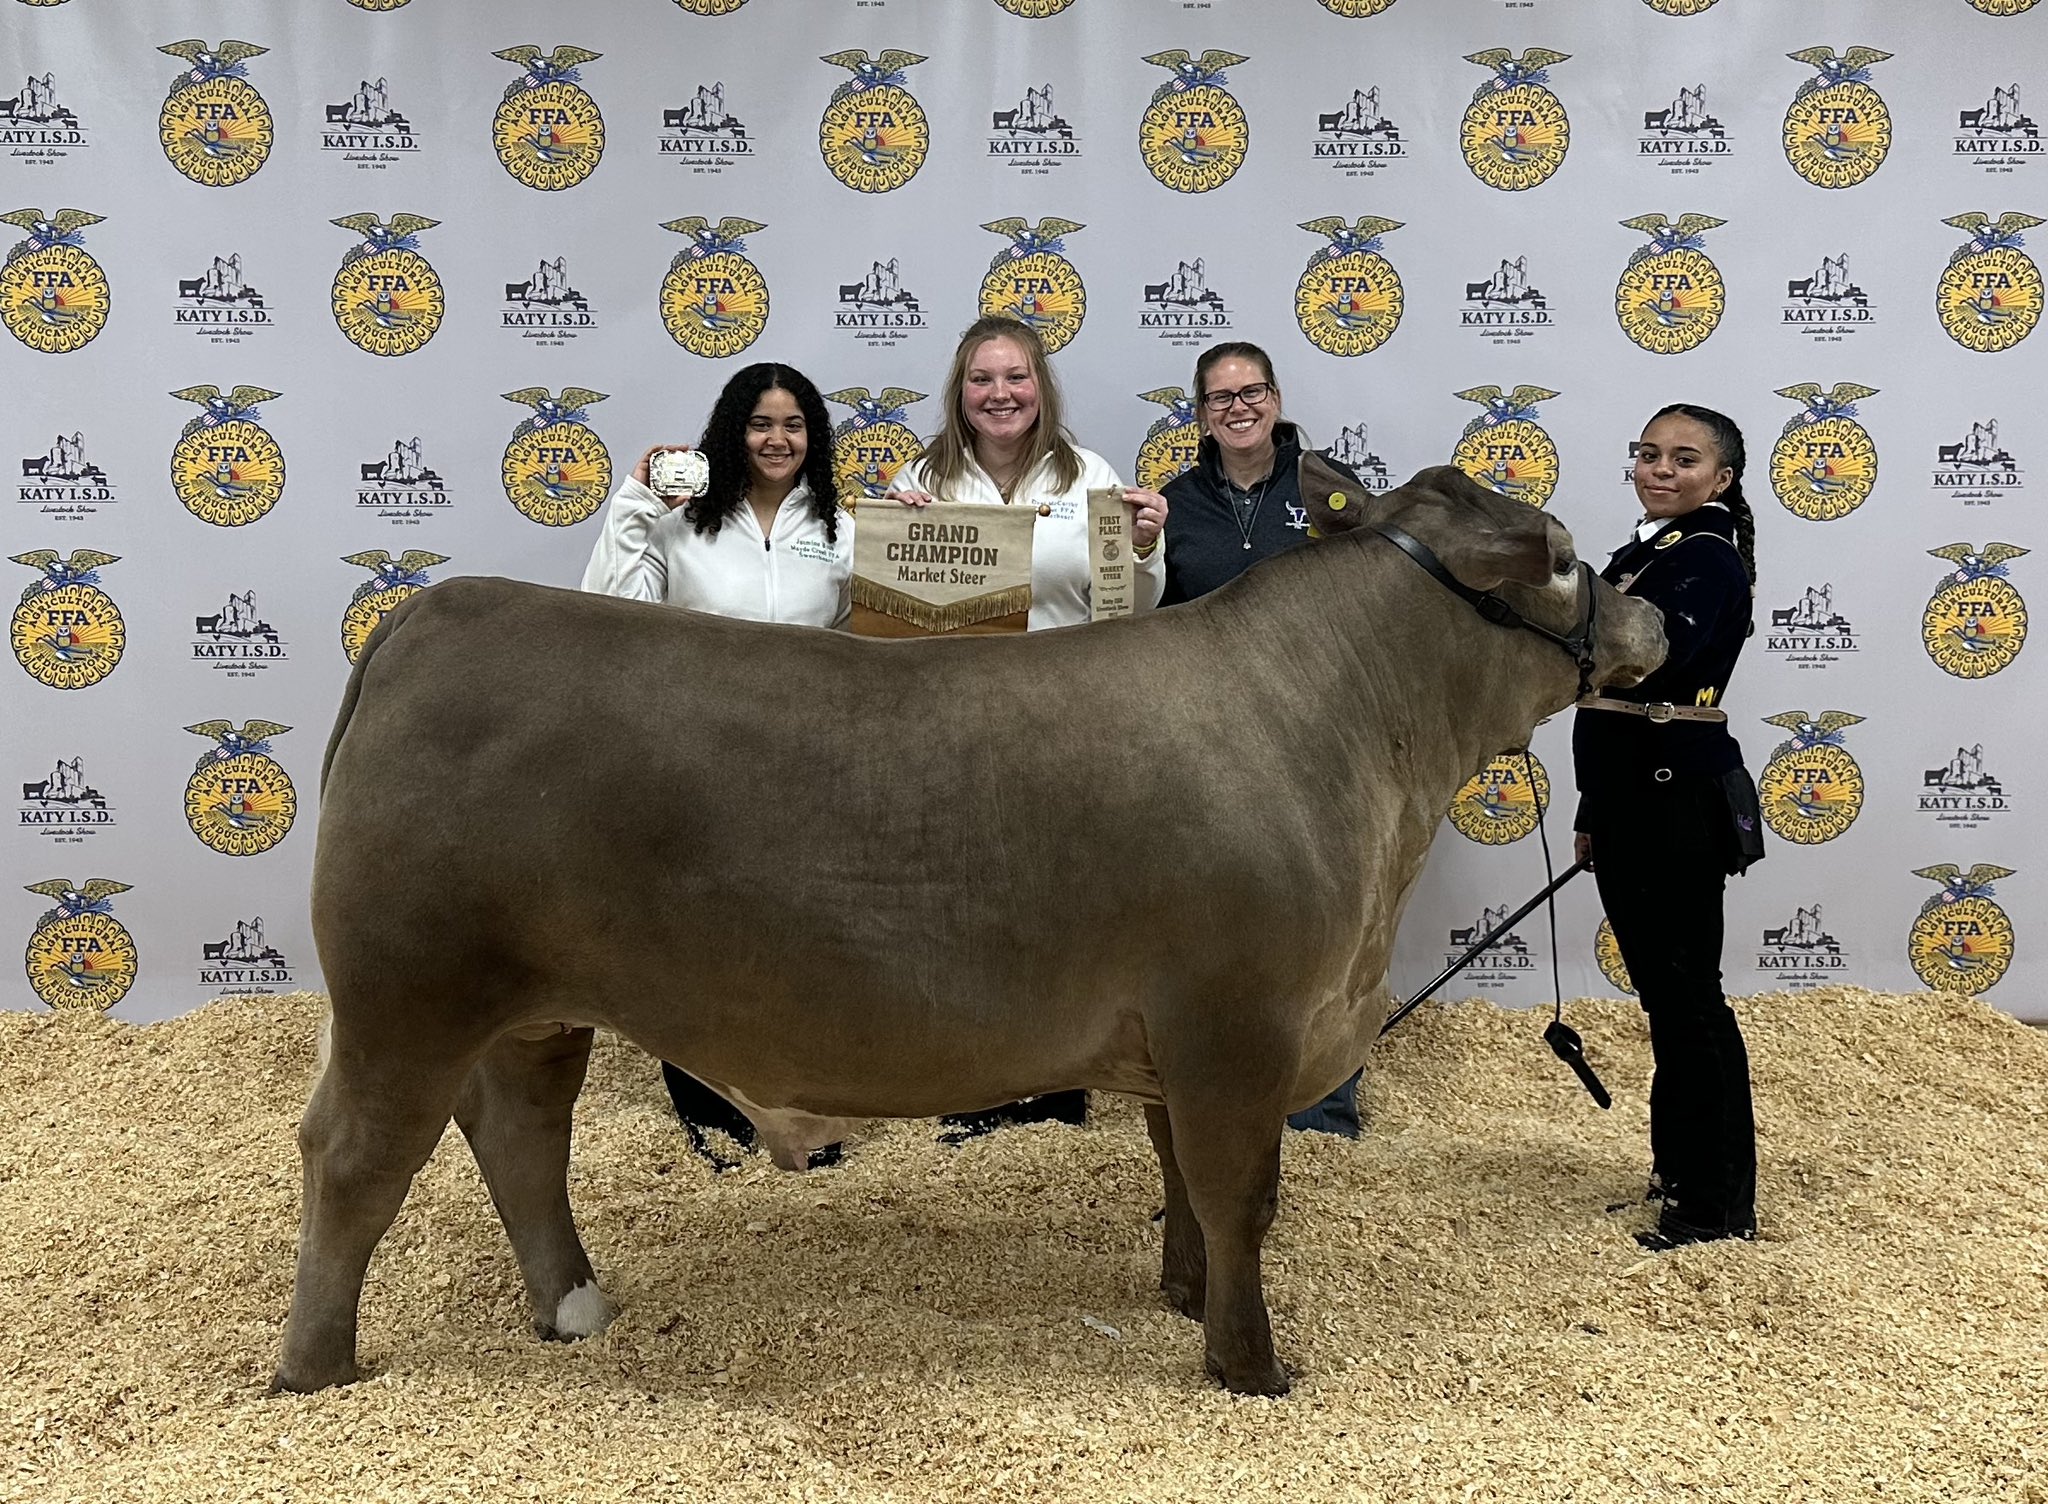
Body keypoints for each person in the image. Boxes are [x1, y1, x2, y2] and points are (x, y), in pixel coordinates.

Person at [889, 315, 1170, 1135]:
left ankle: (1054, 1082)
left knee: (1057, 911)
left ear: (1040, 388)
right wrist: (896, 535)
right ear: (960, 392)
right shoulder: (922, 477)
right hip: (952, 733)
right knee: (960, 908)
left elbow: (1129, 610)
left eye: (1015, 378)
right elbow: (889, 615)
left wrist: (1146, 548)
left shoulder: (1093, 475)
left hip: (1065, 731)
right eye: (983, 379)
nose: (1000, 394)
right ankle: (963, 1081)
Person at [582, 362, 853, 1168]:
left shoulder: (840, 529)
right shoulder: (679, 520)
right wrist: (633, 505)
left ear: (815, 437)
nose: (778, 440)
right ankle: (709, 1109)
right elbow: (611, 616)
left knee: (804, 942)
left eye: (794, 425)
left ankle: (805, 1112)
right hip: (698, 767)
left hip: (807, 767)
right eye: (761, 424)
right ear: (731, 433)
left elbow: (868, 637)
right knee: (698, 942)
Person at [1154, 341, 1368, 1138]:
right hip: (1215, 752)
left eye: (1252, 392)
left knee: (1332, 922)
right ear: (1200, 415)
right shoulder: (1174, 503)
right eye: (1220, 398)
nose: (1238, 408)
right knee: (1230, 925)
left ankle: (1325, 1099)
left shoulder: (1332, 491)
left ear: (1276, 398)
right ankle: (1222, 1086)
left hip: (1327, 741)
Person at [1573, 403, 1764, 1251]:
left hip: (1672, 801)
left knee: (1688, 1003)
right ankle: (1681, 1173)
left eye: (1684, 459)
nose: (1660, 469)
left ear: (1721, 480)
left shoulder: (1707, 559)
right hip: (1633, 798)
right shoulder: (1654, 551)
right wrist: (1591, 811)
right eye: (1648, 453)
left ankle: (1717, 1205)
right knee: (1669, 999)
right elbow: (1613, 704)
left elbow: (1653, 659)